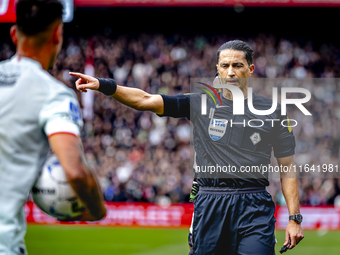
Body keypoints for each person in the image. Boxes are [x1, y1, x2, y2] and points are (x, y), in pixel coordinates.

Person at [69, 40, 304, 255]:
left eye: (237, 65)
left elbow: (288, 168)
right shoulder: (200, 102)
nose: (231, 71)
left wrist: (294, 218)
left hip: (254, 205)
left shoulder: (273, 111)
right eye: (225, 65)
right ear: (218, 69)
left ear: (250, 70)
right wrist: (104, 85)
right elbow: (145, 100)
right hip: (211, 202)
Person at [0, 1, 106, 254]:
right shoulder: (53, 94)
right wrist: (96, 210)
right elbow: (75, 171)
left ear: (14, 33)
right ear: (57, 34)